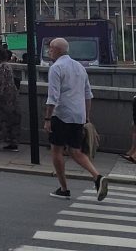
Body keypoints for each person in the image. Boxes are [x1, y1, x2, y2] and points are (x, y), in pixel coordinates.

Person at [45, 38, 107, 201]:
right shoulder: (80, 67)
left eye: (50, 48)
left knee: (56, 150)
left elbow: (53, 97)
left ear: (56, 49)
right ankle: (97, 176)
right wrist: (86, 116)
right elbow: (88, 95)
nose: (49, 51)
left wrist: (47, 118)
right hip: (78, 115)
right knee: (76, 151)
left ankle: (64, 189)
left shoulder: (56, 68)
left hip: (61, 114)